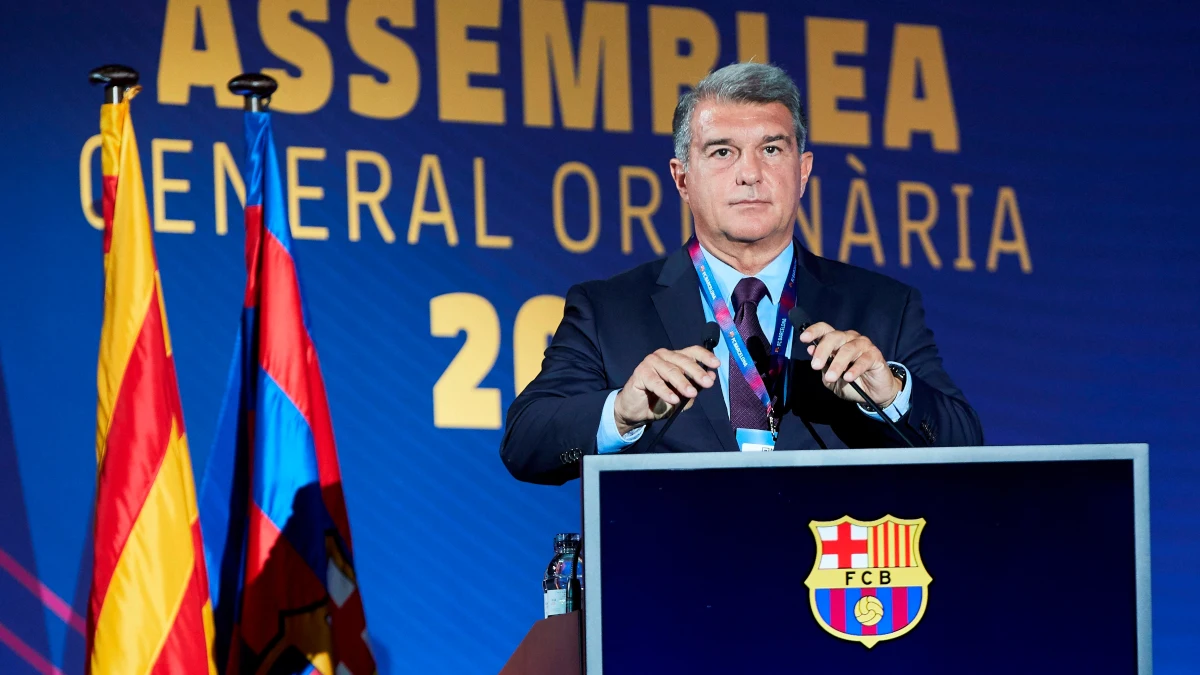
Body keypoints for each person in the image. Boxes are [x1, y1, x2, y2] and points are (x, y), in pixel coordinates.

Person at [500, 62, 983, 486]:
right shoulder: (608, 309)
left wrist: (891, 395)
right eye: (722, 152)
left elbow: (967, 449)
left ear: (804, 170)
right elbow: (527, 444)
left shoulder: (882, 306)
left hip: (828, 580)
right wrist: (621, 412)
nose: (750, 173)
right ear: (682, 177)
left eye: (772, 149)